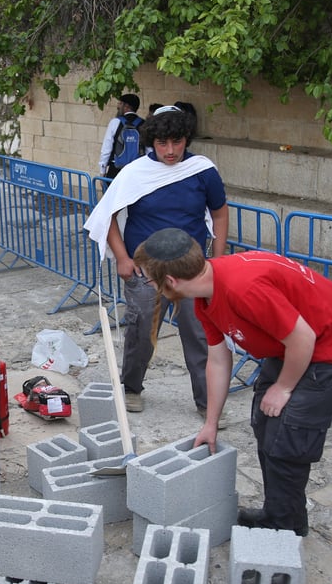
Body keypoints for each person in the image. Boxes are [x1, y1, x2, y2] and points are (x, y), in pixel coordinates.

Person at [132, 227, 332, 537]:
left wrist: (283, 388)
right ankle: (282, 514)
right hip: (290, 347)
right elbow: (217, 359)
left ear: (171, 281)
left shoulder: (242, 288)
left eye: (150, 280)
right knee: (265, 423)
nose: (150, 286)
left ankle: (282, 533)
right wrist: (210, 423)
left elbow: (303, 337)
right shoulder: (205, 295)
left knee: (288, 439)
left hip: (329, 349)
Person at [84, 105, 229, 415]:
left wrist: (218, 262)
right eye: (163, 143)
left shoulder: (203, 170)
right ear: (152, 142)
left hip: (192, 269)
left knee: (200, 333)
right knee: (141, 331)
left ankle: (207, 402)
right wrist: (122, 258)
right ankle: (133, 388)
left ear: (186, 139)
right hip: (145, 268)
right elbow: (106, 213)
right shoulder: (134, 172)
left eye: (177, 142)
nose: (171, 150)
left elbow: (219, 213)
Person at [98, 93, 143, 178]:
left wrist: (102, 171)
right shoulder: (143, 124)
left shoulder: (115, 122)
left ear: (126, 106)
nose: (118, 106)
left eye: (120, 103)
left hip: (116, 170)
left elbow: (106, 149)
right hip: (137, 171)